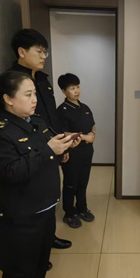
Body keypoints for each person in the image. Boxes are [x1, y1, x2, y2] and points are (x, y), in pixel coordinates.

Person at [0, 70, 78, 278]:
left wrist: (62, 149)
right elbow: (12, 171)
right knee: (18, 272)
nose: (35, 99)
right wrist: (49, 151)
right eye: (28, 94)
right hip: (19, 214)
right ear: (8, 99)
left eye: (35, 93)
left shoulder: (35, 122)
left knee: (40, 261)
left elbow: (44, 155)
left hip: (45, 207)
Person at [8, 28, 73, 250]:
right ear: (22, 52)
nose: (44, 56)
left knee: (50, 191)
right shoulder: (12, 81)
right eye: (40, 51)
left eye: (46, 52)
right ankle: (35, 247)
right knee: (33, 195)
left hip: (51, 145)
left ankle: (48, 237)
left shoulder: (43, 80)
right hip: (29, 150)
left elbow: (50, 116)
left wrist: (61, 144)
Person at [56, 73, 96, 228]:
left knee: (83, 181)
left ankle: (82, 208)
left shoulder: (85, 107)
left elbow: (92, 125)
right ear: (64, 91)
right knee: (71, 183)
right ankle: (69, 213)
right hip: (71, 152)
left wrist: (92, 134)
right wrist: (85, 137)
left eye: (78, 87)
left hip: (87, 151)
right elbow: (63, 132)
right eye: (72, 88)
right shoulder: (62, 110)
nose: (76, 91)